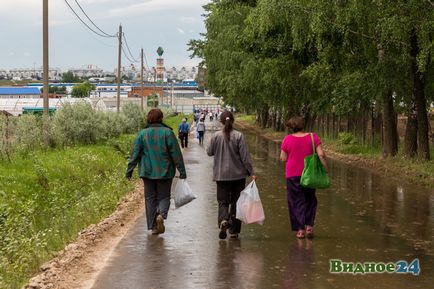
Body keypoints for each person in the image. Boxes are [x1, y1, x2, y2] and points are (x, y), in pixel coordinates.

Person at [126, 108, 187, 235]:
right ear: (161, 118)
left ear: (148, 119)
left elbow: (135, 154)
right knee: (164, 196)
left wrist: (129, 170)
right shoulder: (167, 133)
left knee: (150, 199)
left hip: (147, 172)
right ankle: (161, 214)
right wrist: (182, 171)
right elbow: (176, 154)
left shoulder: (142, 134)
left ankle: (153, 226)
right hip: (165, 171)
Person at [207, 111, 256, 240]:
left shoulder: (216, 136)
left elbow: (209, 152)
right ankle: (234, 231)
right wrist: (251, 172)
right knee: (237, 202)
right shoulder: (239, 136)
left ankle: (223, 220)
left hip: (221, 175)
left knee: (223, 201)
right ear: (232, 120)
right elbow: (245, 157)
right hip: (238, 176)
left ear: (221, 121)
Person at [280, 116, 328, 239]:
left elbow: (283, 158)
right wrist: (325, 168)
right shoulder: (313, 137)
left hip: (292, 175)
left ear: (291, 127)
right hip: (309, 174)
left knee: (296, 202)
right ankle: (309, 227)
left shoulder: (287, 139)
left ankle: (300, 230)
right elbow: (321, 154)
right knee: (310, 199)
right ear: (303, 125)